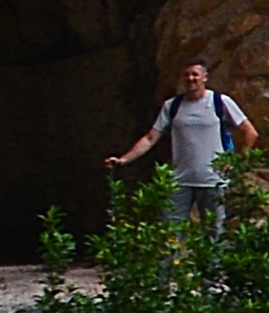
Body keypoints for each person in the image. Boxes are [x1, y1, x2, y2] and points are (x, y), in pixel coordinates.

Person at [111, 58, 258, 258]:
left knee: (214, 233)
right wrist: (124, 160)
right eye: (187, 74)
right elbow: (150, 137)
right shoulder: (172, 106)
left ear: (205, 78)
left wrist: (237, 164)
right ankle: (164, 282)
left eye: (195, 74)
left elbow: (249, 132)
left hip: (213, 180)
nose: (191, 79)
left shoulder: (220, 102)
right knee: (169, 232)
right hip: (180, 180)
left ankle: (211, 283)